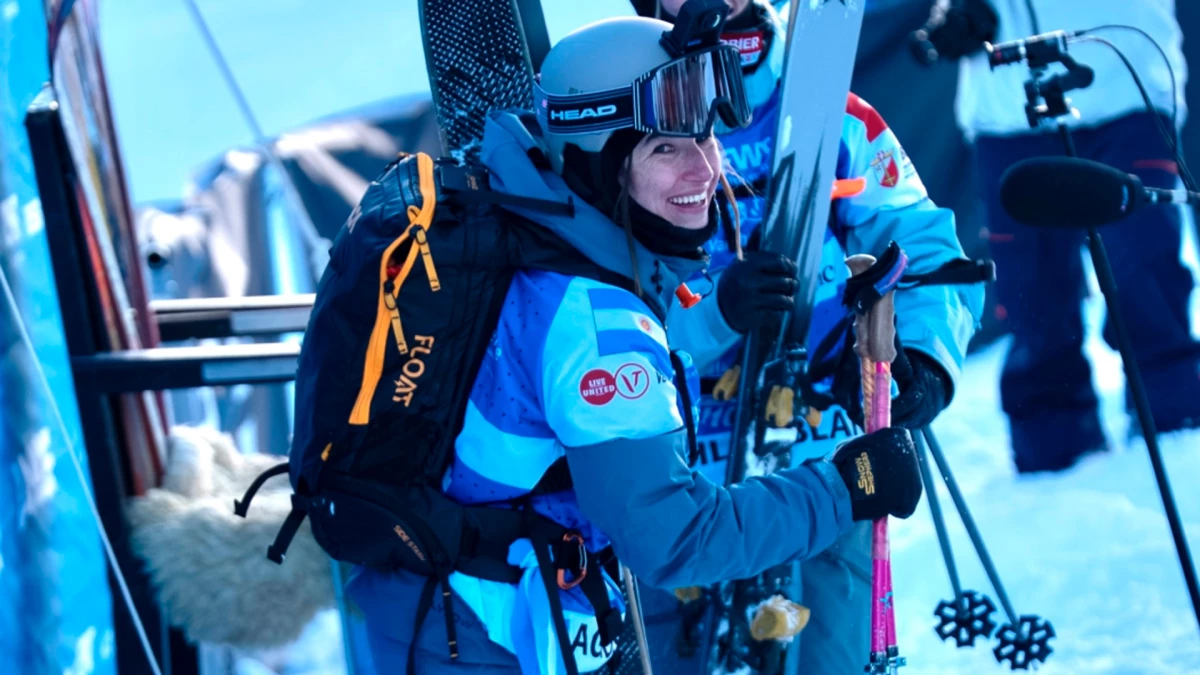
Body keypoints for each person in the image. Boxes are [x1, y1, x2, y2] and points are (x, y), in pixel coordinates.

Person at [343, 13, 927, 675]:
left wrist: (716, 318)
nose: (706, 168)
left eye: (706, 136)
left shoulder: (523, 231)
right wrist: (846, 488)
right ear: (602, 163)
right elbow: (677, 537)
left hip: (441, 614)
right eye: (664, 148)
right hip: (480, 640)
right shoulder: (594, 320)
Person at [630, 0, 985, 672]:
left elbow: (928, 249)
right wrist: (711, 315)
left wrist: (921, 358)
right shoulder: (627, 125)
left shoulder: (835, 112)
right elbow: (595, 309)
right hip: (678, 482)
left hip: (826, 463)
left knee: (833, 655)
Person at [927, 0, 1198, 472]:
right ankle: (1053, 454)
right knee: (1034, 298)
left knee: (1145, 272)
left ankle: (1177, 428)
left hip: (1127, 77)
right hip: (1007, 104)